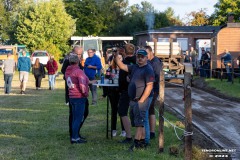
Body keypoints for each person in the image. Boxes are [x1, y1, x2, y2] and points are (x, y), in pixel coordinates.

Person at [114, 49, 155, 150]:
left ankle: (138, 143)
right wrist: (116, 55)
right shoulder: (135, 67)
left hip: (142, 99)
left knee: (140, 121)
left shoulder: (148, 69)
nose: (140, 58)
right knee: (137, 121)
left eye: (142, 57)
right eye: (138, 56)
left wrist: (142, 100)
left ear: (146, 58)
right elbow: (122, 66)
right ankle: (141, 141)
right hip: (134, 99)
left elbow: (149, 86)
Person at [61, 46, 89, 142]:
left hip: (73, 93)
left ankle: (75, 133)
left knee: (80, 114)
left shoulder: (71, 69)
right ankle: (74, 135)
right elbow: (81, 82)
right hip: (77, 94)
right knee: (76, 116)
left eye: (80, 54)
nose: (79, 56)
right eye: (77, 54)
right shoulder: (72, 66)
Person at [117, 43, 136, 143]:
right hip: (137, 91)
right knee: (137, 113)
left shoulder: (124, 62)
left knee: (122, 112)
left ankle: (128, 136)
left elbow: (122, 79)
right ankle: (141, 136)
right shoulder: (138, 61)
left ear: (124, 51)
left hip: (126, 91)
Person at [145, 45, 162, 144]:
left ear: (151, 52)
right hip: (150, 88)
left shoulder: (155, 63)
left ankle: (151, 132)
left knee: (150, 108)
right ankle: (151, 131)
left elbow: (156, 77)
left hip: (154, 89)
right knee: (150, 109)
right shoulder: (149, 61)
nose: (145, 56)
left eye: (147, 53)